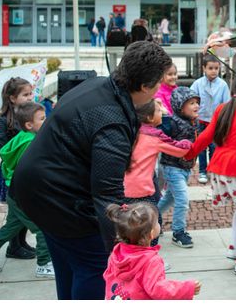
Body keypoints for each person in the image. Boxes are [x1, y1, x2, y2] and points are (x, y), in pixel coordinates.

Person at [10, 41, 172, 300]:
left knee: (68, 262)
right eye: (158, 84)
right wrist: (119, 252)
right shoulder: (112, 122)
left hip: (35, 190)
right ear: (144, 86)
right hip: (58, 198)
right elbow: (107, 195)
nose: (159, 90)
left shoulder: (99, 85)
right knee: (94, 267)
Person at [183, 74, 236, 275]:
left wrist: (189, 154)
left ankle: (235, 248)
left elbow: (206, 136)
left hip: (221, 166)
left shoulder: (223, 108)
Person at [0, 102, 54, 278]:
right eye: (42, 119)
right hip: (23, 194)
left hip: (14, 191)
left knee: (10, 227)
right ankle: (43, 265)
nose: (46, 121)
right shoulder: (30, 143)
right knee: (42, 229)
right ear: (29, 125)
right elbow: (32, 170)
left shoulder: (23, 136)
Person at [124, 100, 192, 247]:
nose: (163, 110)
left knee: (130, 228)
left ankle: (132, 261)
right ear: (149, 117)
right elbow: (180, 149)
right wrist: (188, 142)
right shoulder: (154, 136)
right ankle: (149, 261)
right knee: (153, 226)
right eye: (159, 109)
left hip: (124, 188)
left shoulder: (130, 130)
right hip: (143, 190)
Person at [103, 203, 201, 300]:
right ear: (151, 234)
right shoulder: (151, 261)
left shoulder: (116, 253)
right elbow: (158, 289)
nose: (159, 224)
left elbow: (108, 277)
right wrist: (186, 288)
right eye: (156, 222)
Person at [0, 77, 35, 259]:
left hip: (26, 171)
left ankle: (21, 243)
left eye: (31, 93)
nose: (30, 97)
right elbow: (3, 149)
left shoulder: (28, 116)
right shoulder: (4, 120)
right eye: (25, 94)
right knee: (16, 212)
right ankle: (13, 247)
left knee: (23, 209)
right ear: (12, 98)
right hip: (12, 172)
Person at [157, 87, 199, 248]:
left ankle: (151, 218)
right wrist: (164, 115)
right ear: (180, 106)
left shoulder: (192, 121)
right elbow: (162, 134)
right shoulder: (172, 122)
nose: (196, 106)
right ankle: (178, 232)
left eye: (197, 102)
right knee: (182, 200)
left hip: (184, 167)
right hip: (172, 167)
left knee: (170, 198)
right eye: (191, 103)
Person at [190, 54, 230, 183]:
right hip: (200, 120)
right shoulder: (198, 83)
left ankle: (213, 170)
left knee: (214, 147)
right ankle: (202, 171)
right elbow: (191, 98)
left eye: (216, 68)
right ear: (204, 68)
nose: (213, 71)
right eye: (210, 68)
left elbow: (226, 103)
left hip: (215, 122)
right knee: (201, 147)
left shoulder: (223, 85)